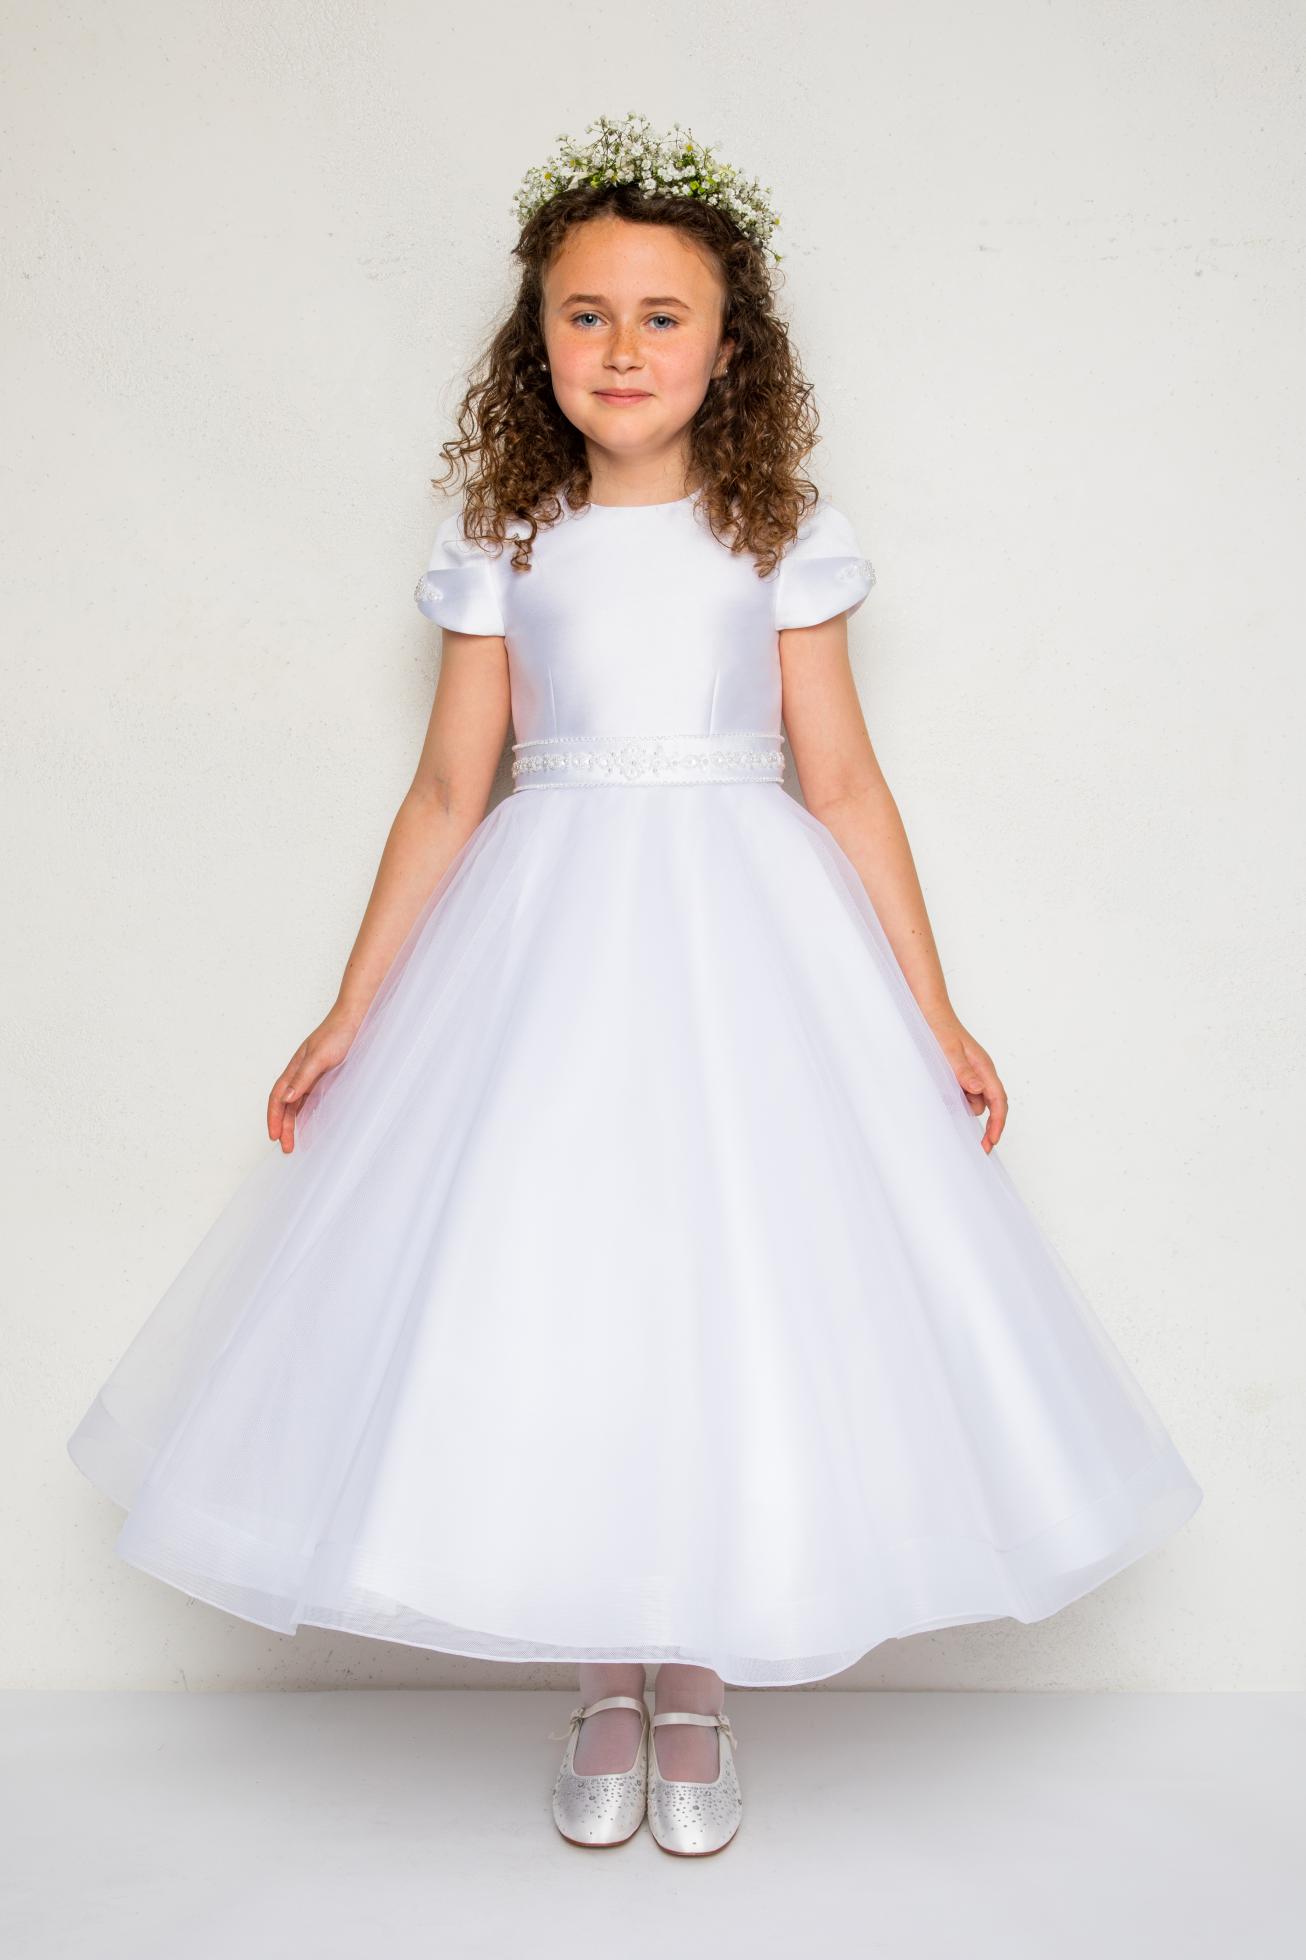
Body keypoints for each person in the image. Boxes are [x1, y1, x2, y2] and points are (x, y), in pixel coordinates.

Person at [66, 113, 1203, 1859]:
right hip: (545, 957)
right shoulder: (506, 534)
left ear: (728, 348)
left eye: (661, 317)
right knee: (569, 1280)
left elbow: (842, 784)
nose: (620, 347)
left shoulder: (777, 533)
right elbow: (448, 791)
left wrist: (931, 1010)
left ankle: (697, 1685)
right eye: (584, 314)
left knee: (725, 1281)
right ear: (535, 341)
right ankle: (606, 1677)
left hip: (746, 953)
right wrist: (352, 1010)